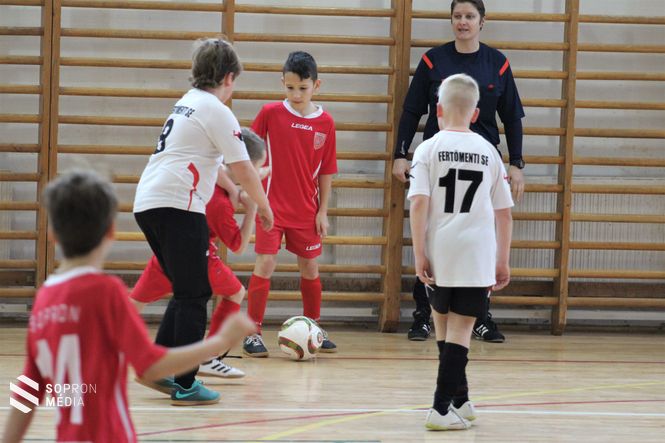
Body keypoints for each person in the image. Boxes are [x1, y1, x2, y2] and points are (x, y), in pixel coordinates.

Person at [2, 171, 256, 443]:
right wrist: (219, 342)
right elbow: (151, 366)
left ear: (52, 234)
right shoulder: (107, 293)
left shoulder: (44, 299)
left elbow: (28, 389)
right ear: (111, 232)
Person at [133, 38, 273, 402]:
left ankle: (156, 368)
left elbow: (213, 163)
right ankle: (184, 381)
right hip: (179, 205)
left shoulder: (188, 102)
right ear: (228, 78)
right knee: (195, 294)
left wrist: (233, 191)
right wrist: (264, 206)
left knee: (186, 290)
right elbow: (243, 167)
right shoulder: (217, 110)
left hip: (150, 202)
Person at [393, 0, 524, 343]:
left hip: (483, 162)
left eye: (469, 16)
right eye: (457, 16)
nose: (463, 22)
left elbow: (512, 116)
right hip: (440, 160)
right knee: (430, 231)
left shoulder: (497, 63)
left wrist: (516, 162)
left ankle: (481, 315)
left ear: (482, 22)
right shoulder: (433, 60)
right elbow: (412, 110)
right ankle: (423, 314)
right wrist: (399, 154)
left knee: (484, 234)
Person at [408, 74, 513, 430]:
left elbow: (418, 203)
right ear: (476, 113)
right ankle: (440, 409)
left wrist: (418, 253)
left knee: (443, 323)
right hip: (475, 252)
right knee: (462, 330)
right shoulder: (489, 152)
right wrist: (502, 260)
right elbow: (504, 213)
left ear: (437, 110)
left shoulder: (427, 149)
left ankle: (460, 399)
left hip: (439, 249)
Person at [130, 128, 267, 380]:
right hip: (197, 255)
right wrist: (252, 209)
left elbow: (235, 170)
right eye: (255, 169)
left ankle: (90, 341)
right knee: (233, 292)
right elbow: (238, 247)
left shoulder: (211, 168)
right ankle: (206, 357)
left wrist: (249, 181)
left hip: (167, 248)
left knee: (134, 305)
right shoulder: (221, 204)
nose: (255, 176)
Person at [243, 51, 338, 357]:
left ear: (317, 85)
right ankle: (252, 332)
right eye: (290, 87)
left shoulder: (326, 122)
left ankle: (314, 328)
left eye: (303, 88)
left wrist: (323, 211)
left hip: (306, 210)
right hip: (270, 208)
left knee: (309, 267)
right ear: (282, 82)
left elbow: (326, 170)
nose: (296, 94)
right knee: (265, 263)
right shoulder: (270, 113)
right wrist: (251, 191)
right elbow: (249, 153)